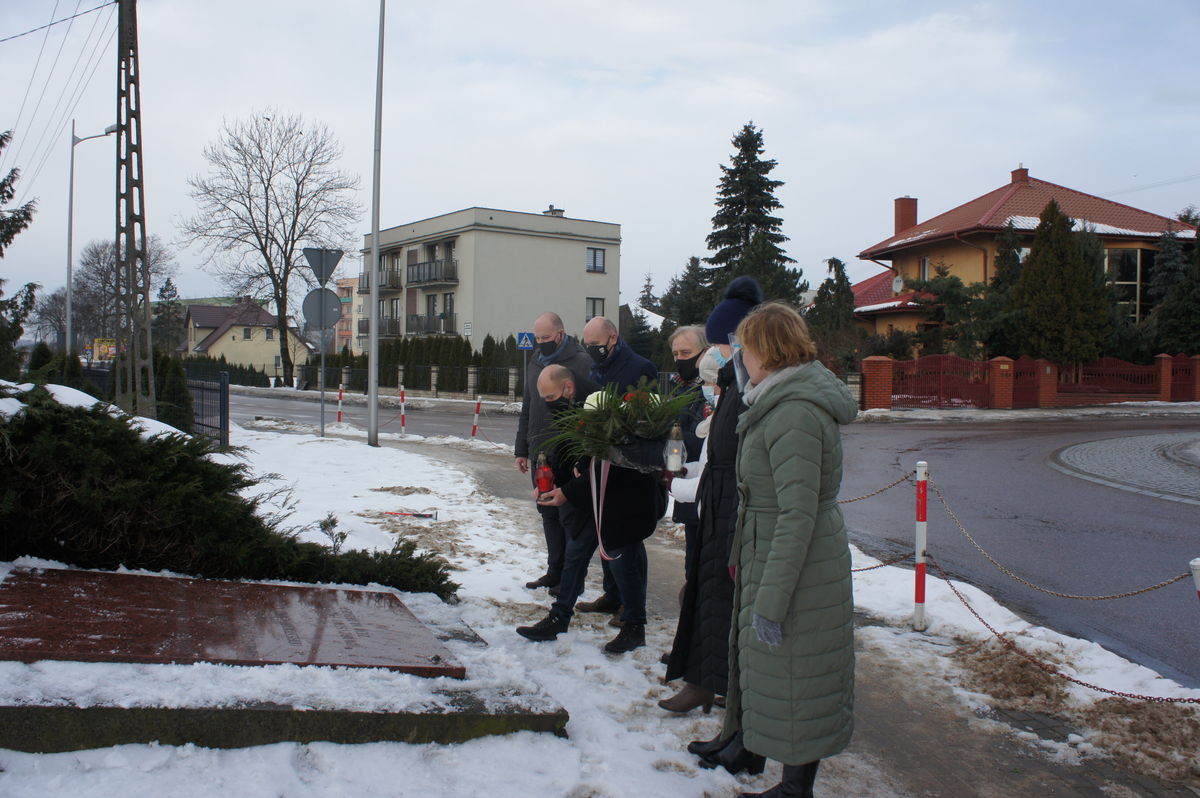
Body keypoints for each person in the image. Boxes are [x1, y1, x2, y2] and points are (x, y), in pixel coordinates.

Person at [697, 301, 858, 798]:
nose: (739, 357)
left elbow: (797, 514)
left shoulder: (794, 413)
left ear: (766, 351)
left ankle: (794, 787)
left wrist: (771, 598)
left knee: (797, 673)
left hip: (800, 566)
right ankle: (749, 746)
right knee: (767, 666)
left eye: (744, 347)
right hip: (767, 549)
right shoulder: (775, 399)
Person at [515, 365, 667, 654]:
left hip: (625, 506)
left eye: (550, 398)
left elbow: (609, 467)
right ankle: (559, 617)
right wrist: (552, 481)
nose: (549, 404)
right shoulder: (574, 406)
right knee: (575, 555)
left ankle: (635, 627)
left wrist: (566, 492)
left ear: (568, 387)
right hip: (594, 501)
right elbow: (572, 450)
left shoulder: (607, 410)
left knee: (624, 566)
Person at [662, 276, 761, 715]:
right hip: (714, 512)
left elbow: (737, 466)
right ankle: (705, 679)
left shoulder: (751, 392)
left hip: (731, 516)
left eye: (720, 345)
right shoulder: (733, 386)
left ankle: (720, 687)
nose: (715, 355)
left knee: (723, 602)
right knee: (706, 596)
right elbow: (715, 457)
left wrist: (685, 484)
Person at [572, 315, 658, 621]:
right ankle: (612, 595)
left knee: (627, 541)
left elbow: (647, 419)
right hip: (601, 463)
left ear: (613, 338)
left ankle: (631, 605)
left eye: (595, 344)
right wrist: (585, 456)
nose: (591, 349)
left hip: (629, 469)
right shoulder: (596, 368)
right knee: (605, 532)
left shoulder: (640, 367)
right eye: (587, 344)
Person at [514, 311, 593, 595]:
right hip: (540, 451)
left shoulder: (582, 362)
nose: (541, 343)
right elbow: (528, 406)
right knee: (548, 513)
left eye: (546, 337)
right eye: (537, 338)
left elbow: (590, 407)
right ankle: (554, 571)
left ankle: (572, 579)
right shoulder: (535, 362)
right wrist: (521, 448)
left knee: (570, 517)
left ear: (560, 334)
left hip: (569, 451)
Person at [665, 325, 708, 572]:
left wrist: (673, 437)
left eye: (686, 353)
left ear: (705, 352)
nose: (680, 359)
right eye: (675, 354)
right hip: (686, 482)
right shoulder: (679, 386)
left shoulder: (712, 389)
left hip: (704, 484)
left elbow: (707, 439)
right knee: (692, 561)